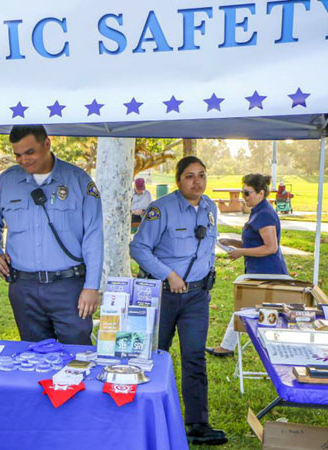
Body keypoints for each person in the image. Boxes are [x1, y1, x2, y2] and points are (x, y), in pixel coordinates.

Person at [129, 156, 227, 446]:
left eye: (201, 175)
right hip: (164, 294)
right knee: (155, 356)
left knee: (194, 358)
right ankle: (144, 419)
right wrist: (168, 274)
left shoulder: (210, 208)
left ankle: (198, 424)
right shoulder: (161, 209)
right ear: (178, 179)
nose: (197, 181)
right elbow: (139, 248)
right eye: (189, 176)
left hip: (197, 296)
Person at [0, 125, 103, 345]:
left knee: (76, 357)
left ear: (47, 144)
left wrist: (91, 286)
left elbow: (93, 235)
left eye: (30, 152)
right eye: (17, 155)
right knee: (34, 358)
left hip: (69, 287)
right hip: (24, 288)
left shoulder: (78, 181)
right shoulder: (6, 182)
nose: (23, 160)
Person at [207, 174, 289, 357]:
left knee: (245, 307)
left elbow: (270, 247)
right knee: (243, 308)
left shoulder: (265, 213)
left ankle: (227, 347)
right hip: (260, 271)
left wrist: (241, 252)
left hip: (269, 273)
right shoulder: (259, 211)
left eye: (247, 193)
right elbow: (256, 243)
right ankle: (227, 347)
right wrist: (235, 243)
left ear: (261, 193)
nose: (243, 196)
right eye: (242, 192)